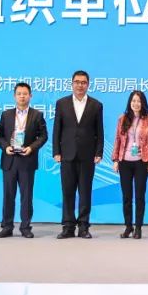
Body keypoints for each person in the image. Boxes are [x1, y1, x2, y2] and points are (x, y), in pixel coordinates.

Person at [52, 70, 104, 239]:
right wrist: (56, 151)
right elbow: (57, 129)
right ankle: (68, 226)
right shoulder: (62, 103)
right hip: (66, 154)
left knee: (85, 192)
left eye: (83, 82)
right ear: (72, 83)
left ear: (88, 85)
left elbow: (99, 131)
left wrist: (99, 151)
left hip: (87, 155)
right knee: (67, 192)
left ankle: (83, 226)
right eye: (77, 82)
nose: (80, 85)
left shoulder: (96, 105)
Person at [0, 82, 48, 238]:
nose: (22, 96)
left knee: (26, 196)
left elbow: (43, 136)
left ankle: (25, 227)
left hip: (27, 160)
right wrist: (5, 147)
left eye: (25, 94)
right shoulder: (6, 114)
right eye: (19, 94)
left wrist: (31, 148)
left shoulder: (37, 115)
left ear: (30, 96)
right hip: (9, 160)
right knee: (8, 196)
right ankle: (7, 226)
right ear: (14, 96)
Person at [111, 90, 148, 239]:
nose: (136, 104)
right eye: (133, 101)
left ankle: (138, 228)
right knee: (126, 196)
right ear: (130, 103)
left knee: (140, 196)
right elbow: (117, 140)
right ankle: (128, 227)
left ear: (143, 103)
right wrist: (115, 160)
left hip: (141, 162)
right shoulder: (122, 118)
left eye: (138, 101)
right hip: (125, 161)